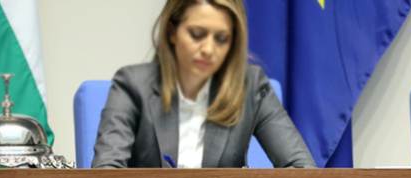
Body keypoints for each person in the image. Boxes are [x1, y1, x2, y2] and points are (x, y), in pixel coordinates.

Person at [92, 0, 315, 169]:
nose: (209, 49)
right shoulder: (132, 85)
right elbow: (107, 174)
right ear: (172, 32)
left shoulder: (252, 87)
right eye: (197, 34)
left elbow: (303, 170)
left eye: (221, 39)